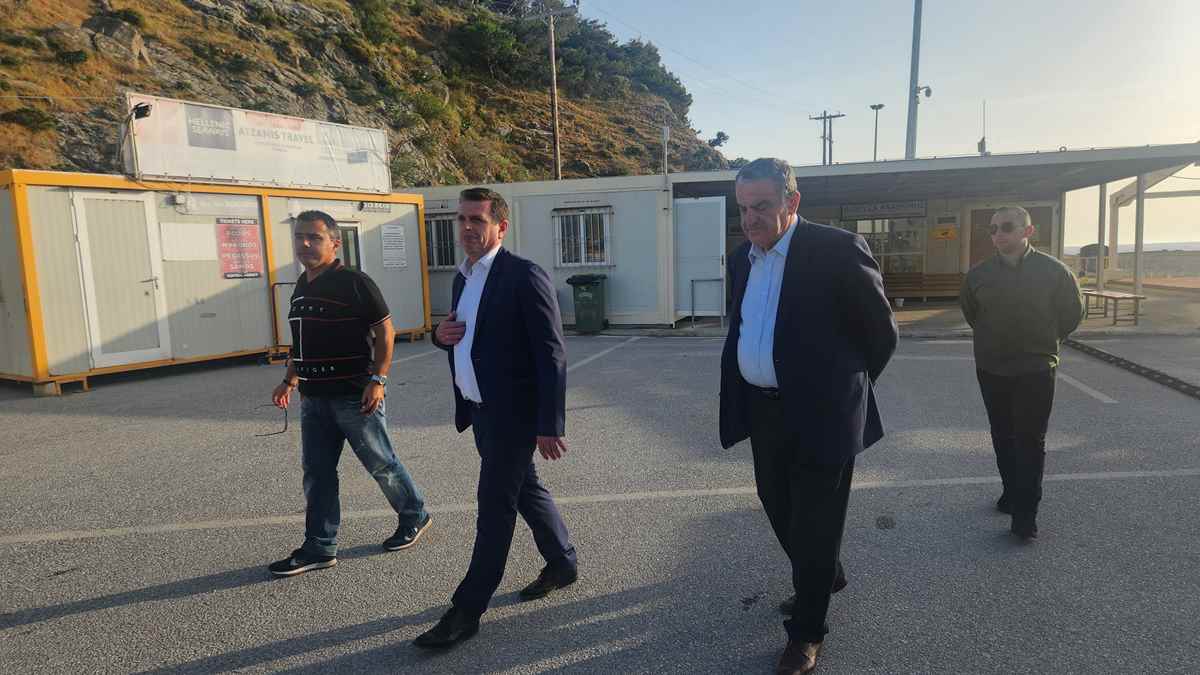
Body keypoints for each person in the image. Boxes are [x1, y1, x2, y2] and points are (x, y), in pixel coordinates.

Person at [718, 158, 897, 674]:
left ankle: (807, 631)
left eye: (762, 207)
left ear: (791, 203)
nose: (750, 219)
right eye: (743, 209)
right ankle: (824, 574)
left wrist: (844, 390)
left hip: (822, 415)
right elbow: (745, 324)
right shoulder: (741, 258)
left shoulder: (837, 250)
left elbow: (880, 334)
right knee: (777, 504)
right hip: (763, 411)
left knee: (816, 524)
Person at [415, 188, 577, 649]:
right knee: (525, 490)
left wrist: (550, 422)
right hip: (480, 412)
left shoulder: (523, 276)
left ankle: (467, 610)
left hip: (514, 417)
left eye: (477, 220)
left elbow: (551, 354)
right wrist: (437, 336)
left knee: (494, 508)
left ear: (500, 227)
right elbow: (457, 333)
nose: (467, 228)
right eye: (461, 219)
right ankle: (563, 562)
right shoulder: (462, 277)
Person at [268, 210, 430, 577]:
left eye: (314, 237)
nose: (305, 244)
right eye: (299, 237)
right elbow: (300, 341)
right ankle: (320, 547)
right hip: (314, 399)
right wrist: (289, 380)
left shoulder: (355, 282)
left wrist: (379, 379)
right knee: (318, 473)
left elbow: (386, 332)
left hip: (354, 396)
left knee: (381, 464)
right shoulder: (300, 287)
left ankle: (414, 514)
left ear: (334, 243)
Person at [960, 206, 1084, 540]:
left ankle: (1026, 516)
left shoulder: (1054, 272)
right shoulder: (979, 275)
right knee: (1002, 435)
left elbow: (1072, 314)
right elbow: (973, 314)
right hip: (992, 368)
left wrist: (1043, 341)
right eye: (993, 228)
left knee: (1030, 440)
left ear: (1027, 231)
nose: (998, 233)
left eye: (1007, 227)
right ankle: (1012, 493)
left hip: (1035, 369)